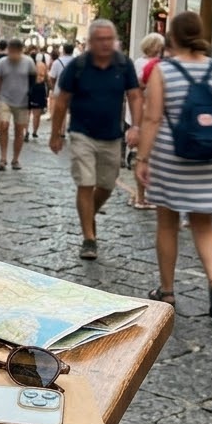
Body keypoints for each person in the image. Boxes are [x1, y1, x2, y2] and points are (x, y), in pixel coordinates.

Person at [135, 11, 212, 318]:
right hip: (211, 158)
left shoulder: (164, 71)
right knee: (204, 223)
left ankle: (168, 291)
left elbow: (152, 117)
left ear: (172, 36)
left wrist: (143, 158)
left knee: (167, 223)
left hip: (171, 156)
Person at [49, 19, 141, 261]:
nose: (105, 44)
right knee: (85, 183)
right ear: (90, 42)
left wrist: (137, 127)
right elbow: (61, 101)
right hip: (82, 134)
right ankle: (89, 239)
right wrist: (56, 134)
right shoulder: (78, 66)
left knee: (107, 185)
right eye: (100, 39)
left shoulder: (123, 65)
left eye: (109, 39)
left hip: (112, 136)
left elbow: (134, 95)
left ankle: (87, 215)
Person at [128, 32, 165, 208]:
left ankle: (139, 195)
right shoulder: (151, 65)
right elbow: (140, 87)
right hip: (146, 113)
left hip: (140, 113)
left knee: (143, 156)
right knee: (145, 156)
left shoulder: (139, 63)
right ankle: (141, 198)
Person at [0, 38, 35, 171]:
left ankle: (15, 159)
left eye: (15, 51)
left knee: (19, 130)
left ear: (21, 51)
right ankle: (3, 158)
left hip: (22, 101)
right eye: (10, 51)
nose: (12, 54)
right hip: (5, 99)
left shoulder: (28, 62)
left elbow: (33, 79)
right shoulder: (2, 63)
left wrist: (30, 95)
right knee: (3, 125)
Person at [28, 58, 49, 139]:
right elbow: (47, 79)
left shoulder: (30, 66)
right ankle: (34, 132)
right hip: (40, 89)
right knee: (37, 114)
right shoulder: (44, 67)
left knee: (27, 112)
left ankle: (26, 131)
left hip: (31, 89)